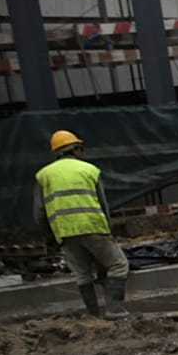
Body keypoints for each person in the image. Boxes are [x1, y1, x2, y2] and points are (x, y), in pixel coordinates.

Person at [35, 130, 131, 319]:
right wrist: (108, 231)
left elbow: (39, 212)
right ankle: (115, 310)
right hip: (92, 226)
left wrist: (50, 238)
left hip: (64, 232)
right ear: (76, 149)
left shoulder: (43, 175)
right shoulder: (89, 170)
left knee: (82, 274)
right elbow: (103, 205)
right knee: (118, 265)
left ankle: (93, 315)